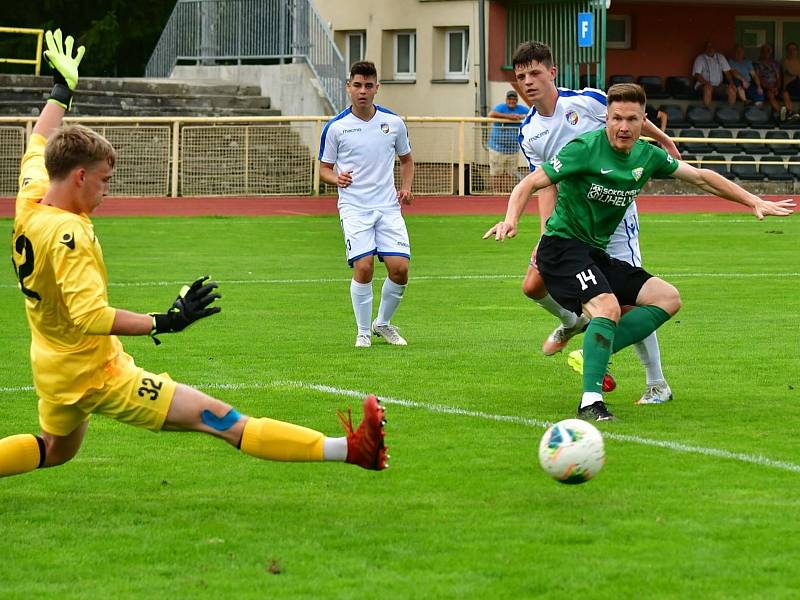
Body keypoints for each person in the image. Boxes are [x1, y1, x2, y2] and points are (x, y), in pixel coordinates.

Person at [0, 29, 388, 480]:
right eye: (104, 180)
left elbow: (39, 140)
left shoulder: (31, 195)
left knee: (55, 448)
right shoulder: (70, 235)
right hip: (94, 373)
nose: (108, 191)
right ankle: (353, 449)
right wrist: (166, 320)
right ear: (80, 176)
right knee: (219, 418)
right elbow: (89, 316)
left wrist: (61, 92)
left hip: (51, 362)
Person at [485, 83, 794, 421]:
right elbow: (529, 183)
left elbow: (702, 178)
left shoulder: (647, 155)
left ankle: (594, 353)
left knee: (667, 298)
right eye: (616, 118)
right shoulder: (583, 149)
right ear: (606, 118)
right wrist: (510, 219)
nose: (623, 126)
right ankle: (590, 402)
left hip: (593, 252)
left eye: (632, 119)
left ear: (642, 120)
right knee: (606, 307)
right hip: (560, 248)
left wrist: (753, 201)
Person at [502, 41, 681, 405]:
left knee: (631, 302)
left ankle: (655, 382)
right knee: (534, 284)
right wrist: (545, 234)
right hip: (571, 225)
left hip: (614, 218)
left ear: (552, 73)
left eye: (535, 73)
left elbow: (632, 120)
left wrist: (664, 141)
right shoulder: (530, 132)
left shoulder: (588, 101)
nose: (528, 82)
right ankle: (575, 322)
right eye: (521, 77)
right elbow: (545, 183)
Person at [319, 61, 415, 348]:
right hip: (355, 208)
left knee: (400, 269)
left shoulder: (394, 123)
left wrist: (406, 188)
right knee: (364, 267)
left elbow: (407, 160)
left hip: (387, 208)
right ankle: (362, 331)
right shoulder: (336, 128)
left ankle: (382, 324)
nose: (362, 91)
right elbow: (323, 168)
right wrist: (336, 178)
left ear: (377, 88)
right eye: (357, 85)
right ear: (349, 87)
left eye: (368, 86)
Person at [486, 90, 529, 193]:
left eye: (514, 99)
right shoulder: (500, 108)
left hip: (513, 149)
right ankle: (496, 193)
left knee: (510, 173)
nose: (512, 101)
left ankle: (505, 193)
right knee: (496, 173)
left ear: (517, 101)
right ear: (506, 100)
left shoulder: (521, 109)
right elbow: (490, 114)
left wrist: (521, 117)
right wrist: (510, 117)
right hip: (497, 148)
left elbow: (532, 113)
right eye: (510, 99)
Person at [755, 44, 794, 121]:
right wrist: (769, 88)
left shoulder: (775, 63)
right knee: (770, 95)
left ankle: (790, 113)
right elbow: (758, 78)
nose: (766, 53)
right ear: (761, 52)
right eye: (764, 51)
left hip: (776, 87)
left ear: (770, 52)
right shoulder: (758, 64)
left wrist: (777, 87)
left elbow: (778, 77)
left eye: (768, 51)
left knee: (785, 93)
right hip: (766, 88)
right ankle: (782, 114)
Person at [692, 41, 737, 107]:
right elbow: (697, 75)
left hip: (718, 86)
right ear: (705, 49)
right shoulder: (700, 58)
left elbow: (727, 72)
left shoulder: (720, 57)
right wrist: (706, 83)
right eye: (708, 47)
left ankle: (730, 111)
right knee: (708, 89)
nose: (710, 49)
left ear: (714, 48)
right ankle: (706, 111)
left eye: (711, 47)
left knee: (732, 89)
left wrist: (731, 83)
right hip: (703, 85)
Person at [781, 42, 800, 119]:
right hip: (789, 86)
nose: (792, 51)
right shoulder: (784, 61)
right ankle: (790, 113)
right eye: (790, 49)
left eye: (794, 49)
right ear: (787, 51)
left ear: (797, 51)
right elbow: (790, 72)